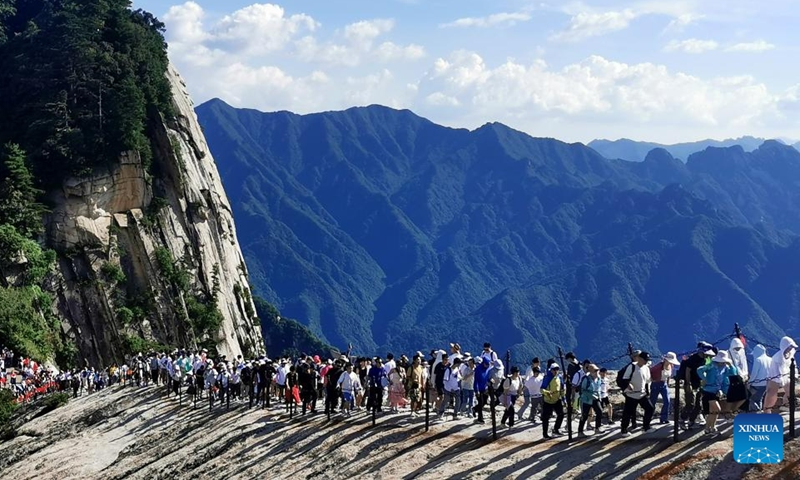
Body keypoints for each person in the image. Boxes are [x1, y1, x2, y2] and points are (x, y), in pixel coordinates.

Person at [698, 350, 745, 436]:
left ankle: (710, 428)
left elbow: (733, 374)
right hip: (708, 390)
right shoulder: (711, 366)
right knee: (717, 409)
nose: (722, 363)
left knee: (713, 411)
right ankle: (709, 428)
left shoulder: (725, 368)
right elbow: (700, 370)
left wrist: (731, 365)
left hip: (716, 391)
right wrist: (704, 378)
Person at [678, 342, 715, 429]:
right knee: (690, 404)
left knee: (698, 405)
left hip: (700, 384)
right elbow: (688, 370)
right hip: (691, 383)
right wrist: (687, 383)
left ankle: (692, 421)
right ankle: (683, 419)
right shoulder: (693, 359)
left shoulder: (706, 359)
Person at [620, 351, 654, 436]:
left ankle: (646, 427)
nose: (646, 361)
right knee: (628, 412)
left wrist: (647, 391)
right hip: (632, 394)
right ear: (639, 358)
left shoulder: (646, 368)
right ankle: (624, 430)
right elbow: (625, 379)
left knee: (650, 408)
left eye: (647, 360)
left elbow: (647, 380)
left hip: (642, 393)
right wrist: (629, 385)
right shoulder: (632, 367)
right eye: (644, 360)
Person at [764, 336, 798, 413]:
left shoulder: (790, 354)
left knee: (790, 391)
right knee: (771, 394)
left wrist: (794, 374)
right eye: (789, 347)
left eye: (791, 347)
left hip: (787, 375)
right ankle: (767, 411)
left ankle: (787, 405)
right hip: (774, 377)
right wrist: (780, 381)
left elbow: (793, 364)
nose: (790, 349)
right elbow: (775, 371)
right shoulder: (777, 358)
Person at [649, 352, 680, 425]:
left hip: (664, 384)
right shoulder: (658, 366)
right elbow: (649, 372)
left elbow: (669, 376)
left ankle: (664, 418)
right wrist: (651, 380)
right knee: (652, 402)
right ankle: (648, 417)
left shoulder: (671, 366)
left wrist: (668, 383)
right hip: (655, 384)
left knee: (667, 401)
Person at [578, 364, 604, 436]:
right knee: (585, 415)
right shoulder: (586, 379)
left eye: (597, 370)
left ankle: (597, 428)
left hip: (595, 399)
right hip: (586, 400)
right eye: (595, 371)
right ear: (590, 371)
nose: (596, 372)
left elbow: (598, 388)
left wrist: (599, 397)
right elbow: (583, 390)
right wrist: (591, 395)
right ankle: (580, 431)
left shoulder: (598, 379)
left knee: (599, 412)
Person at [541, 363, 565, 439]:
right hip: (548, 400)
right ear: (551, 370)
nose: (556, 371)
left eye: (557, 369)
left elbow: (562, 388)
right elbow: (541, 389)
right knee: (546, 418)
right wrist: (547, 393)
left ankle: (556, 429)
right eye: (554, 369)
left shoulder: (559, 377)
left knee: (561, 414)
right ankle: (545, 434)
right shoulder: (547, 378)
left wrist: (563, 398)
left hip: (557, 399)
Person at [748, 344, 772, 412]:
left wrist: (749, 382)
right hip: (766, 383)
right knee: (760, 399)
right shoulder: (770, 359)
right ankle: (760, 411)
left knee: (751, 399)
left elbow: (754, 373)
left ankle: (757, 411)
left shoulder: (758, 360)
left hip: (756, 384)